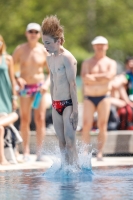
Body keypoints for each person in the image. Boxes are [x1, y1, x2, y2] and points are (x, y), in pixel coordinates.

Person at [41, 16, 78, 166]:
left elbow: (73, 84)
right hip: (56, 104)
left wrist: (75, 110)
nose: (45, 46)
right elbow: (52, 81)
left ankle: (76, 169)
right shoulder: (50, 58)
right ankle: (65, 170)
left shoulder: (67, 58)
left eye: (48, 43)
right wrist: (52, 103)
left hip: (68, 104)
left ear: (58, 41)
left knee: (70, 142)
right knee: (61, 143)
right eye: (44, 43)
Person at [12, 23, 50, 161]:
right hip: (25, 88)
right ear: (26, 33)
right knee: (25, 119)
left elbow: (52, 72)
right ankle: (26, 151)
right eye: (30, 31)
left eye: (36, 31)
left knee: (40, 119)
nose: (33, 34)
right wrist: (17, 78)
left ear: (40, 34)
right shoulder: (20, 49)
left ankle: (40, 152)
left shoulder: (44, 50)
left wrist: (46, 84)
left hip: (40, 87)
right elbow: (11, 66)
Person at [81, 36, 117, 160]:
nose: (100, 47)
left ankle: (100, 153)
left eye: (102, 44)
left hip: (104, 96)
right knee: (86, 124)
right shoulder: (87, 62)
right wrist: (102, 78)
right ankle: (85, 151)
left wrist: (94, 78)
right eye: (97, 45)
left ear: (106, 46)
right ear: (94, 46)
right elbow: (85, 78)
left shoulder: (111, 62)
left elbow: (110, 76)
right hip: (89, 97)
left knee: (102, 125)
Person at [0, 35, 18, 164]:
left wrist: (14, 97)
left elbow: (12, 80)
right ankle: (4, 158)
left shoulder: (8, 58)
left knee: (10, 120)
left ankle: (12, 154)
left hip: (5, 97)